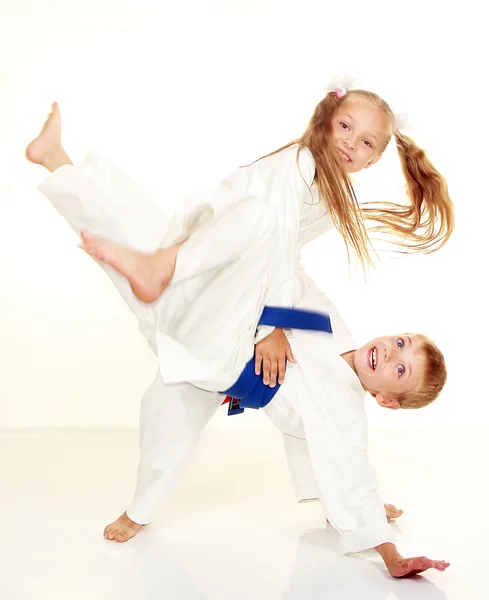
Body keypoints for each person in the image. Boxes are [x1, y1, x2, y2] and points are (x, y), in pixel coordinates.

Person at [25, 93, 451, 578]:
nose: (390, 353)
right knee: (139, 226)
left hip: (223, 361)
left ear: (387, 400)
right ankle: (56, 161)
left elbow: (346, 464)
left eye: (399, 369)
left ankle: (137, 511)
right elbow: (290, 269)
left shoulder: (346, 408)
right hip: (211, 310)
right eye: (401, 343)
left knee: (166, 437)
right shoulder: (334, 324)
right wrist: (271, 323)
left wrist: (384, 544)